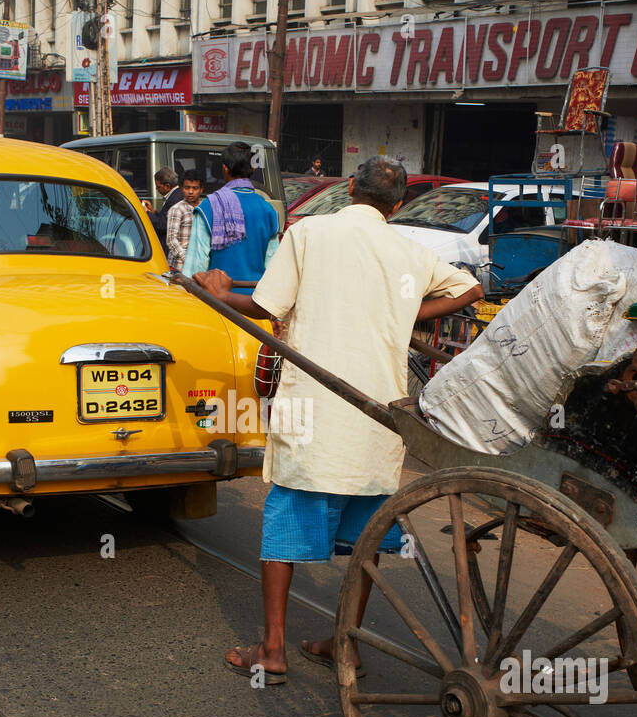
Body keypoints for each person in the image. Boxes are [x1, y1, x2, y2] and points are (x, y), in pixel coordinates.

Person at [193, 156, 483, 684]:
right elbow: (473, 290)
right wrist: (407, 313)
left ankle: (273, 650)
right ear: (396, 206)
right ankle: (343, 643)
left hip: (317, 409)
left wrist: (218, 295)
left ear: (350, 188)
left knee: (283, 523)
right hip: (379, 414)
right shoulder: (411, 251)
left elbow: (265, 306)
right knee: (367, 534)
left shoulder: (310, 233)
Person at [183, 142, 280, 286]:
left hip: (216, 300)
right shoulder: (268, 209)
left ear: (225, 168)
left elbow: (196, 267)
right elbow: (273, 266)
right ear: (252, 168)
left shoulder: (208, 206)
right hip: (254, 300)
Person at [165, 169, 203, 272]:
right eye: (187, 188)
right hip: (180, 266)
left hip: (200, 265)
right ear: (182, 188)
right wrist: (188, 259)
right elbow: (171, 240)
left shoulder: (204, 208)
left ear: (201, 190)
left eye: (195, 188)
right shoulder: (177, 209)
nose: (190, 192)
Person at [143, 167, 183, 246]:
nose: (156, 189)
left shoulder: (174, 199)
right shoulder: (176, 195)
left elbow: (163, 225)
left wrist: (146, 212)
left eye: (158, 187)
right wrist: (153, 211)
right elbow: (164, 218)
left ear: (167, 186)